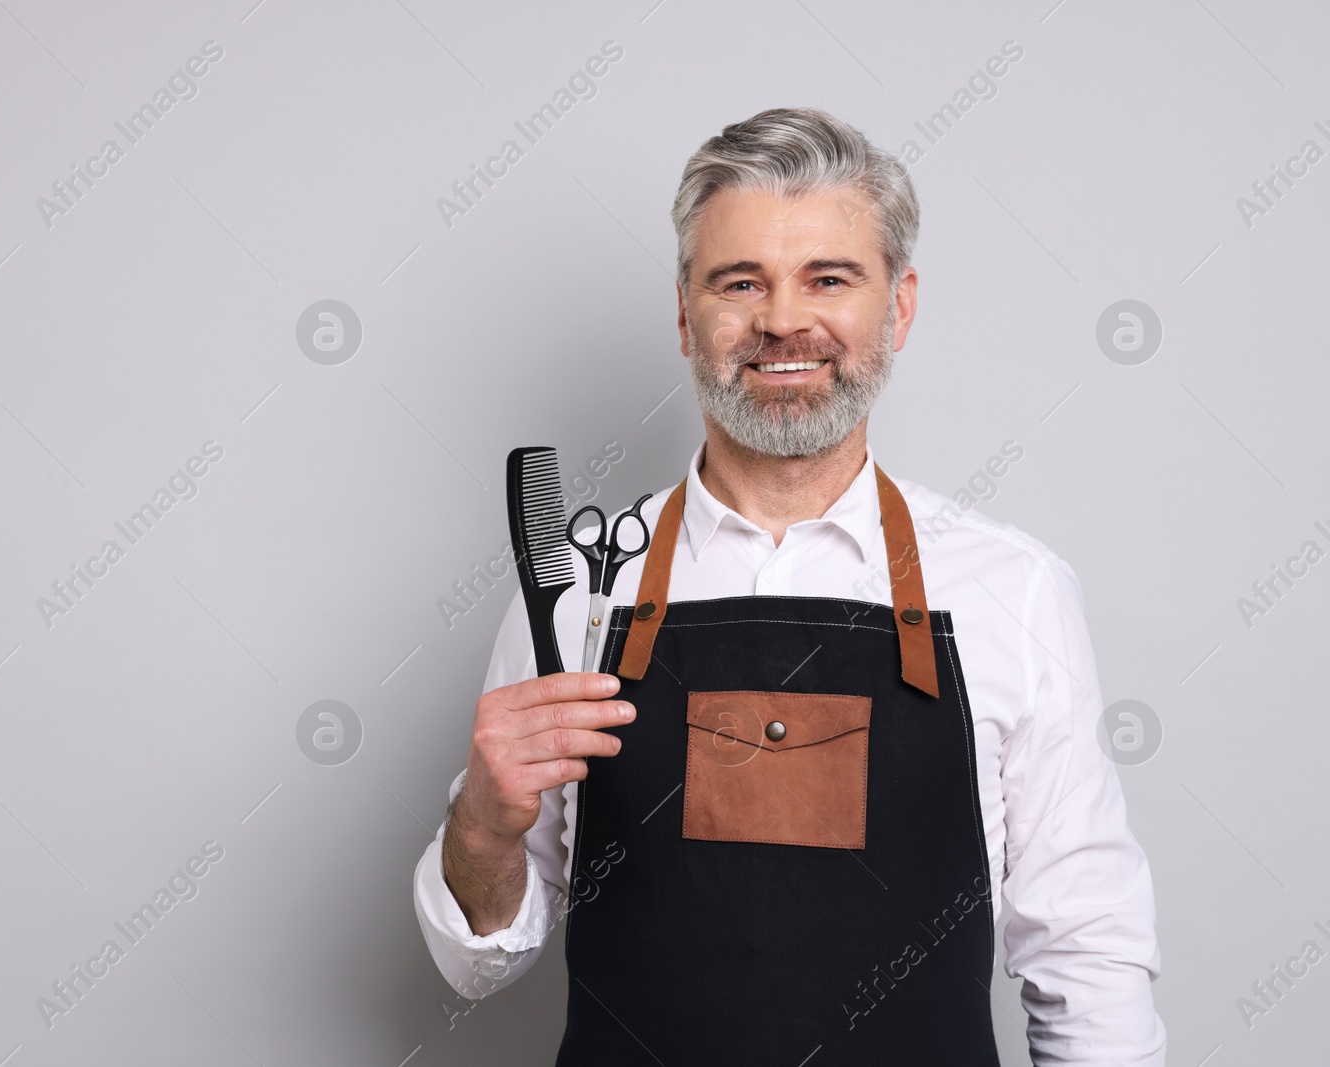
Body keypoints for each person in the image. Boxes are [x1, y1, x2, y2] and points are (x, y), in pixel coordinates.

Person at [412, 107, 1165, 1065]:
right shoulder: (576, 592)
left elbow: (1089, 951)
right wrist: (480, 820)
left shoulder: (1012, 590)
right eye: (740, 282)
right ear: (686, 314)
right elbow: (478, 966)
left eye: (829, 278)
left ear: (898, 306)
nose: (782, 320)